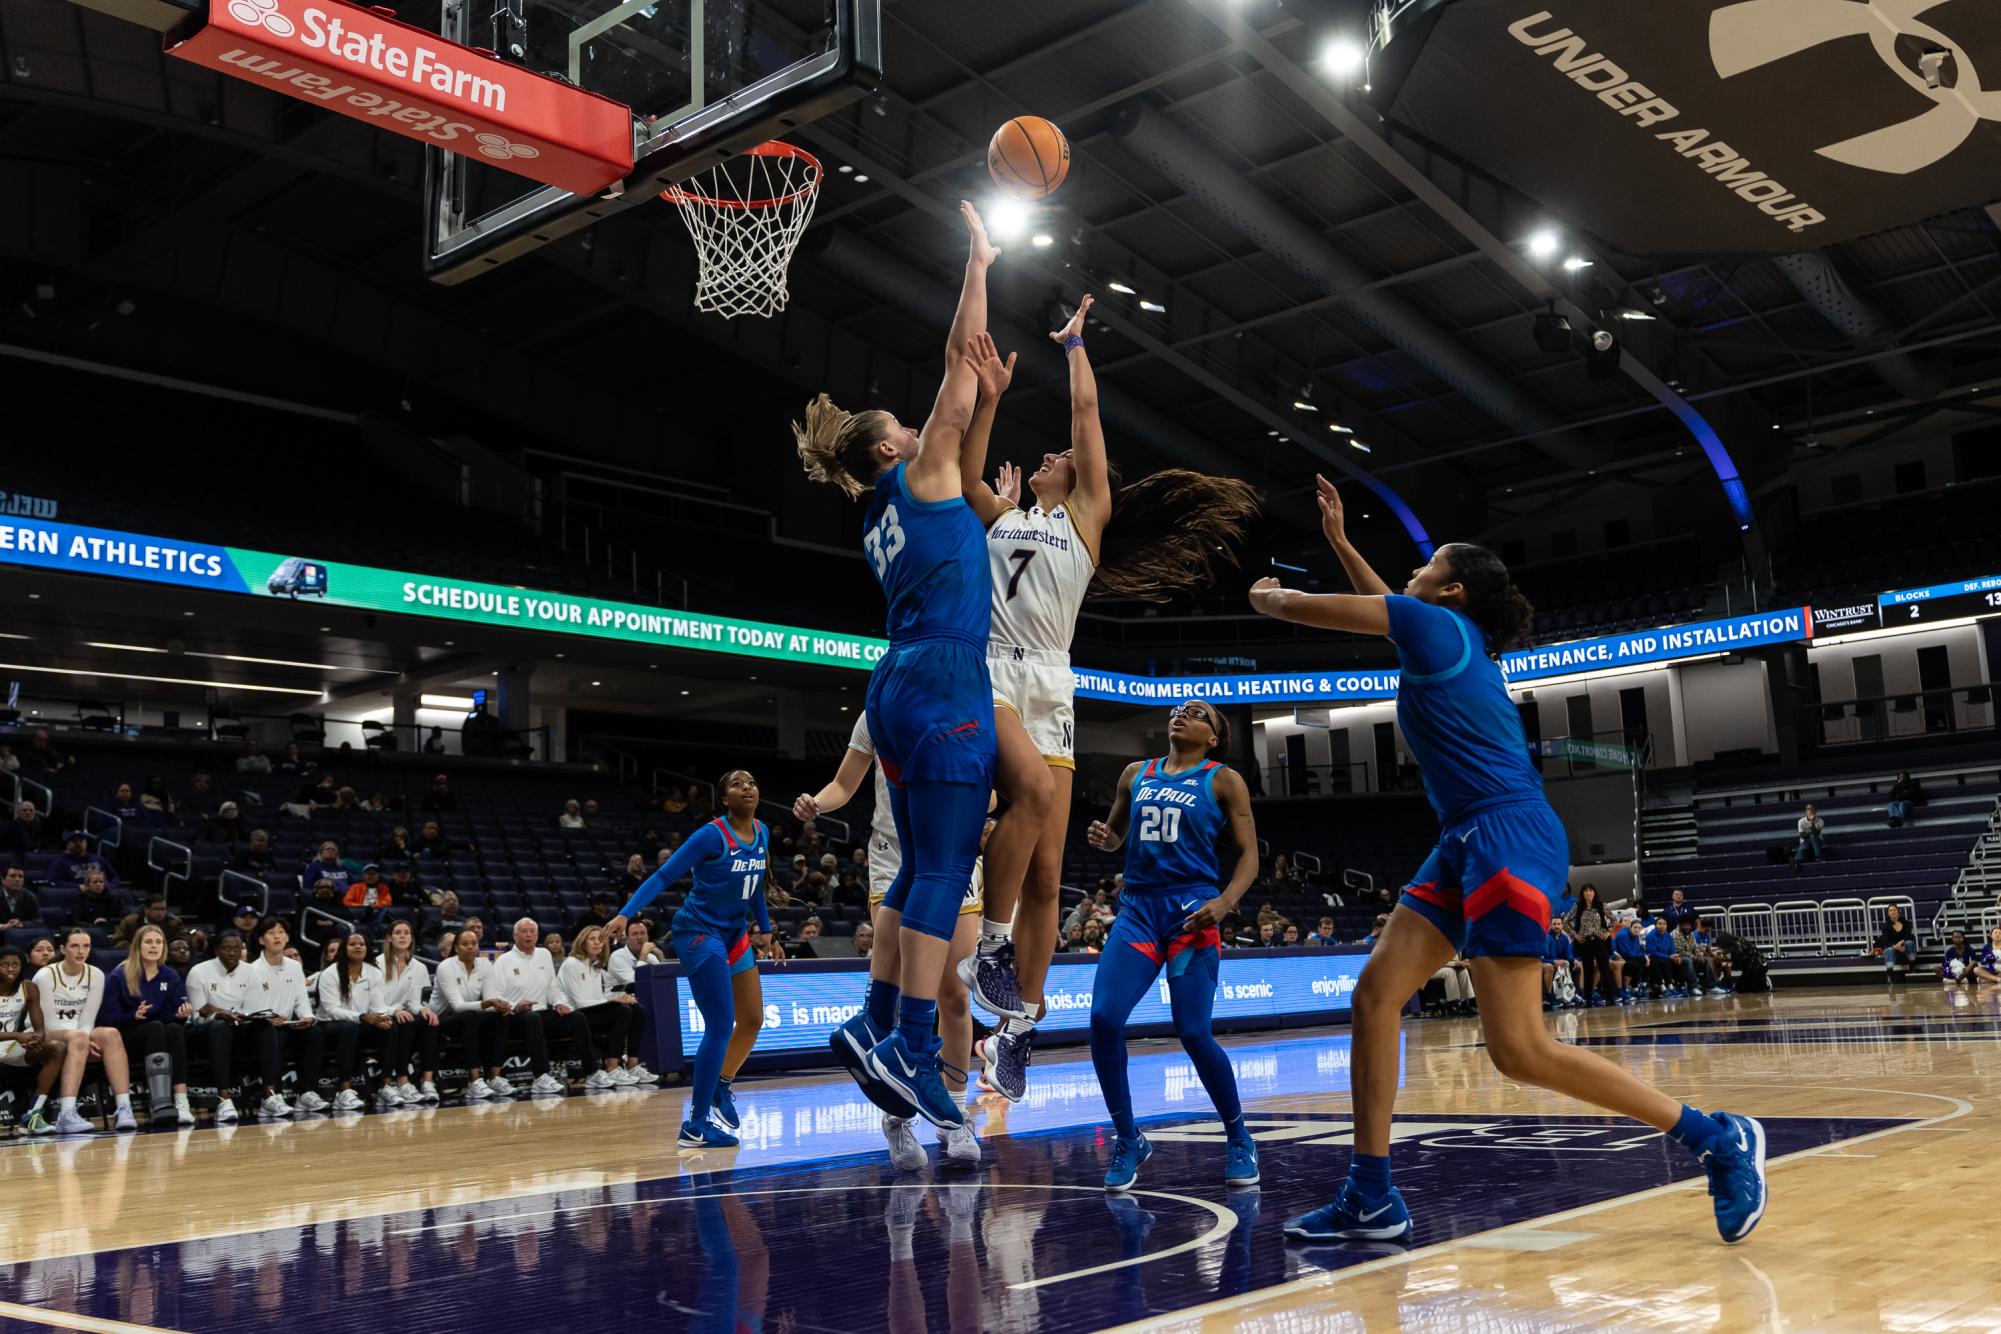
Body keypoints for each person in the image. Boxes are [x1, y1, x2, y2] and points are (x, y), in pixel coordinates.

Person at [1247, 482, 1766, 1246]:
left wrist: (1268, 596)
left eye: (1426, 565)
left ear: (1449, 588)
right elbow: (1392, 611)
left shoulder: (1432, 627)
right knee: (1374, 997)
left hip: (1505, 835)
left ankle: (1716, 1138)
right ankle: (1369, 1194)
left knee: (1518, 1049)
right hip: (1465, 835)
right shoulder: (1446, 637)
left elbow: (1304, 609)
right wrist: (1340, 543)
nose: (1414, 574)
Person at [957, 300, 1261, 1107]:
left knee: (1051, 877)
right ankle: (988, 945)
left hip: (1052, 680)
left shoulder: (1086, 521)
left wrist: (1076, 347)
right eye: (1051, 453)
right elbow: (962, 475)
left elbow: (1085, 412)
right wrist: (987, 398)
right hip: (991, 670)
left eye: (1062, 454)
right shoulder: (1000, 515)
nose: (1053, 452)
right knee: (1016, 813)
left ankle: (1015, 1031)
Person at [794, 207, 1006, 1150]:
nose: (923, 427)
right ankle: (913, 1045)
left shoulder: (889, 504)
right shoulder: (921, 475)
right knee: (943, 869)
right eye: (907, 427)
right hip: (943, 676)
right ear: (889, 448)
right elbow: (962, 352)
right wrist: (978, 259)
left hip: (896, 681)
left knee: (922, 869)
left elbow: (968, 392)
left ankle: (877, 1023)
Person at [793, 711, 985, 1166]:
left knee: (955, 994)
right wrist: (817, 803)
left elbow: (993, 789)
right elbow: (845, 783)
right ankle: (897, 1119)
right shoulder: (879, 709)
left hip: (954, 850)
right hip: (894, 855)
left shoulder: (976, 703)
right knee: (902, 997)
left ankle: (954, 1115)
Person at [1083, 699, 1260, 1190]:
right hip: (1139, 909)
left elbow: (1249, 856)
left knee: (1193, 1032)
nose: (1182, 715)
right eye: (1179, 709)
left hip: (1192, 912)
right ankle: (1127, 1138)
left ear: (1215, 737)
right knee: (1102, 1019)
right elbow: (1117, 836)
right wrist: (1105, 838)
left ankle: (1239, 1136)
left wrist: (1225, 902)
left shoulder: (1223, 779)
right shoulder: (1135, 773)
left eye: (1198, 714)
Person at [609, 770, 776, 1146]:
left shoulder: (763, 832)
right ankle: (695, 1125)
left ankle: (721, 1086)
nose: (747, 786)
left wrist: (764, 927)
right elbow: (664, 875)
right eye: (736, 784)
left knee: (752, 1020)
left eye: (751, 782)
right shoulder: (710, 835)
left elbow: (756, 887)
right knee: (721, 1022)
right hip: (699, 931)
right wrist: (625, 912)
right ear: (724, 800)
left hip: (735, 933)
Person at [29, 927, 139, 1134]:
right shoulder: (45, 975)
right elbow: (50, 1023)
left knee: (111, 1034)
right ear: (63, 948)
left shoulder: (96, 974)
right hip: (44, 1034)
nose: (81, 951)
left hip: (79, 1036)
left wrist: (85, 1039)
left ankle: (124, 1108)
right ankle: (67, 1114)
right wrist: (82, 1039)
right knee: (78, 1036)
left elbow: (88, 1019)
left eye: (86, 946)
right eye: (75, 946)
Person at [101, 924, 196, 1125]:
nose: (154, 946)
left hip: (158, 1034)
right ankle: (159, 1102)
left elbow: (170, 1014)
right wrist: (133, 1016)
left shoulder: (169, 975)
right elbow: (109, 1018)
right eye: (149, 942)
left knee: (174, 1029)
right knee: (156, 1027)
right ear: (138, 946)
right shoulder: (120, 975)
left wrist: (181, 1015)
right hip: (126, 1036)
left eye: (158, 942)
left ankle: (181, 1101)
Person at [244, 917, 329, 1117]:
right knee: (270, 1032)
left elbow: (301, 999)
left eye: (281, 932)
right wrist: (267, 1017)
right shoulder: (252, 970)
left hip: (289, 1024)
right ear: (261, 940)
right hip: (260, 1027)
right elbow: (247, 1006)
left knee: (314, 1033)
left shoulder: (294, 966)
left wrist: (306, 1016)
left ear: (288, 937)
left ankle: (307, 1093)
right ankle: (271, 1096)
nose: (277, 936)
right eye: (271, 933)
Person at [486, 917, 569, 1098]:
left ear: (538, 935)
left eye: (532, 931)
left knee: (576, 1018)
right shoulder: (504, 961)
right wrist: (516, 1006)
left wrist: (559, 1002)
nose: (529, 935)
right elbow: (495, 995)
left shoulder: (544, 954)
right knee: (533, 1018)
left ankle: (593, 1072)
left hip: (540, 1013)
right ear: (515, 935)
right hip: (514, 1017)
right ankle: (541, 1077)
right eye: (524, 931)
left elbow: (552, 987)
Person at [558, 925, 645, 1089]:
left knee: (636, 1009)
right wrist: (613, 1002)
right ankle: (612, 1067)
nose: (597, 943)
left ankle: (633, 1064)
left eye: (600, 940)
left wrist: (620, 998)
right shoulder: (571, 964)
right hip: (576, 1016)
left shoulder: (596, 966)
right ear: (582, 942)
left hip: (591, 1012)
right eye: (592, 939)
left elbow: (598, 997)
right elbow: (579, 1003)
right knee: (622, 1011)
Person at [187, 930, 256, 1122]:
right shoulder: (199, 972)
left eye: (236, 948)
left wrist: (226, 1012)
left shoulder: (251, 971)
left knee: (265, 1028)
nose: (232, 953)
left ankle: (270, 1095)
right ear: (217, 949)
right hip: (202, 1033)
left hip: (239, 1028)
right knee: (219, 1027)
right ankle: (224, 1099)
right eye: (227, 948)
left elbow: (253, 1008)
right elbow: (198, 1015)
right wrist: (219, 1014)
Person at [435, 928, 511, 1099]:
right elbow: (457, 1006)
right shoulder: (445, 967)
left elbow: (490, 999)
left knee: (501, 1017)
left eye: (474, 943)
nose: (470, 947)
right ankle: (474, 1081)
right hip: (441, 1019)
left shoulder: (485, 965)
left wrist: (500, 1006)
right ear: (456, 947)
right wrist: (489, 1003)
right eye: (464, 944)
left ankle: (495, 1078)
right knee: (469, 1016)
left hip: (471, 1018)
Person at [376, 919, 440, 1103]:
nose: (403, 936)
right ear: (389, 938)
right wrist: (394, 1010)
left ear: (412, 939)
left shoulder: (419, 967)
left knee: (429, 1021)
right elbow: (372, 1002)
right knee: (404, 1022)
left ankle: (427, 1081)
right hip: (380, 1015)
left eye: (407, 933)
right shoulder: (376, 964)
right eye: (398, 932)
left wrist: (423, 1009)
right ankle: (402, 1081)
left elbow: (413, 1002)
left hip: (402, 1014)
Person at [1568, 884, 1614, 1006]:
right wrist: (1575, 934)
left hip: (1600, 941)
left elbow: (1614, 920)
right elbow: (1565, 921)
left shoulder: (1601, 906)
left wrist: (1609, 932)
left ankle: (1610, 997)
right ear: (1582, 894)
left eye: (1590, 890)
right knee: (1588, 971)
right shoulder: (1577, 907)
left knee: (1604, 969)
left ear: (1594, 892)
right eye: (1585, 891)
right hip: (1585, 942)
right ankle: (1588, 999)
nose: (1588, 893)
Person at [608, 919, 665, 987]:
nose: (639, 937)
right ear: (627, 939)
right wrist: (643, 956)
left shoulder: (651, 957)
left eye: (643, 933)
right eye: (635, 934)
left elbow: (661, 981)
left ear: (647, 937)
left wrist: (661, 958)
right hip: (617, 997)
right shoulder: (617, 957)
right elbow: (635, 982)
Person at [1644, 915, 1691, 997]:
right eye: (1659, 923)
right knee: (1663, 961)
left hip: (1666, 959)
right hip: (1654, 959)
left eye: (1664, 924)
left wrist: (1675, 957)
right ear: (1655, 925)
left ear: (1667, 926)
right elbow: (1653, 952)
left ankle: (1682, 986)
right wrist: (1669, 957)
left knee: (1681, 961)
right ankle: (1666, 987)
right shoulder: (1650, 936)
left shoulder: (1668, 936)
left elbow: (1672, 950)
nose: (1662, 926)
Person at [48, 830, 114, 886]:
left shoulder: (99, 859)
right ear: (67, 844)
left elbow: (114, 878)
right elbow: (55, 882)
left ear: (86, 843)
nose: (78, 843)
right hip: (75, 896)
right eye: (74, 841)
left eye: (81, 840)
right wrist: (78, 887)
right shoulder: (59, 862)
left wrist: (106, 887)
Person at [1873, 904, 1916, 977]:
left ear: (1898, 911)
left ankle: (1912, 967)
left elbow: (1909, 936)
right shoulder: (1885, 926)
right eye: (1890, 910)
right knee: (1889, 950)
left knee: (1910, 943)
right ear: (1888, 913)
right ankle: (1889, 975)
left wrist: (1901, 943)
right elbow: (1886, 940)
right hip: (1892, 946)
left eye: (1894, 910)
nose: (1892, 912)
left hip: (1903, 945)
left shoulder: (1906, 923)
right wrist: (1895, 946)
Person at [0, 864, 41, 929]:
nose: (17, 879)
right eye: (12, 876)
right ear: (2, 880)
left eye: (20, 876)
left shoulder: (30, 897)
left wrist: (23, 924)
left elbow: (38, 922)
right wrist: (3, 926)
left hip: (22, 936)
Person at [1791, 803, 1825, 870]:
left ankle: (1817, 857)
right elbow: (1803, 836)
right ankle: (1796, 862)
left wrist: (1812, 823)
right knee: (1804, 845)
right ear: (1806, 811)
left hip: (1817, 840)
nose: (1810, 811)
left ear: (1815, 811)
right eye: (1808, 809)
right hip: (1805, 840)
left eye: (1812, 809)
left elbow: (1816, 833)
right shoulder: (1800, 821)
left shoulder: (1820, 821)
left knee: (1812, 836)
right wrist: (1810, 832)